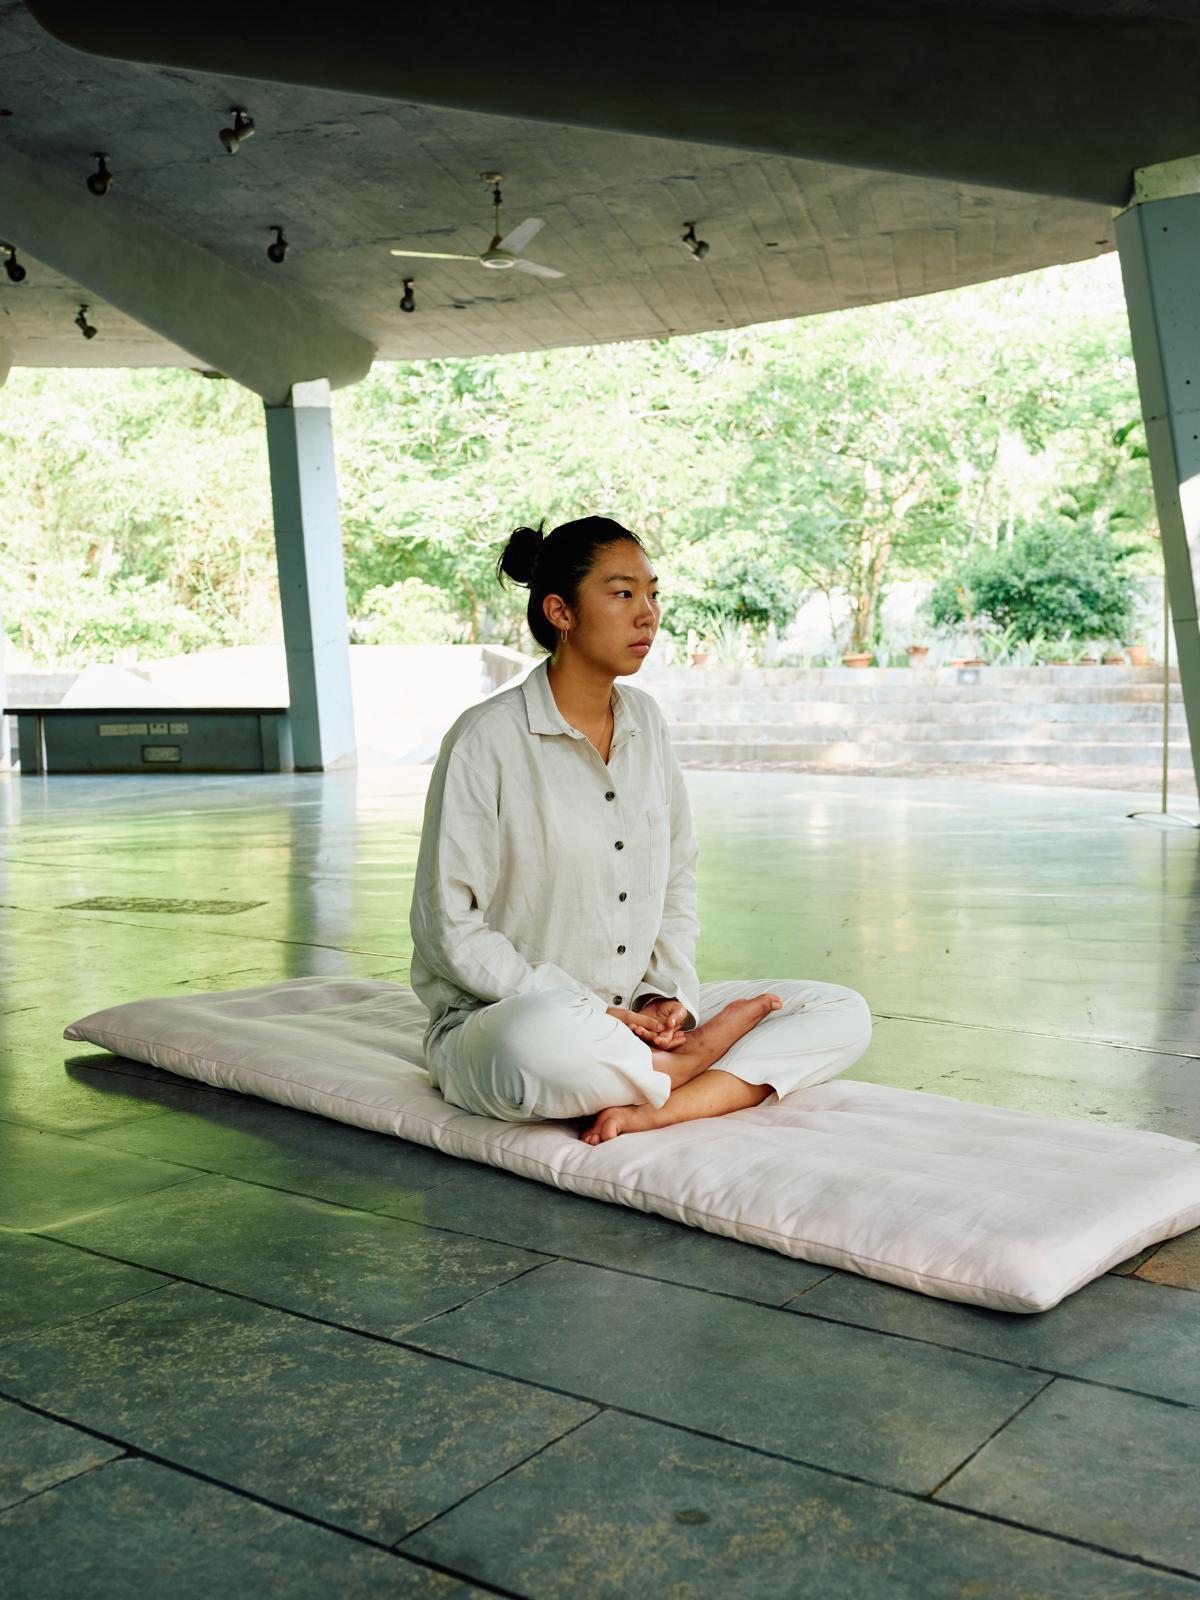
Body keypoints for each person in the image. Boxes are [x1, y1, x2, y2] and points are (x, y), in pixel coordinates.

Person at [409, 515, 872, 1143]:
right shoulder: (485, 739)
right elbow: (448, 927)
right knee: (540, 1041)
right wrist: (592, 1011)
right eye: (624, 593)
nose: (648, 614)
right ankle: (693, 1070)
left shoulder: (646, 723)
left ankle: (665, 1095)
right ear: (560, 612)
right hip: (508, 1020)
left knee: (841, 1012)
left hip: (634, 1012)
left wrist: (664, 999)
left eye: (653, 594)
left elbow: (677, 878)